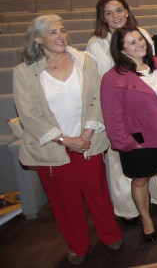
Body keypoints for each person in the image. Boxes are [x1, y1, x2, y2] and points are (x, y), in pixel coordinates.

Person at [13, 15, 122, 265]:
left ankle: (110, 234)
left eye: (63, 30)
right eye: (53, 33)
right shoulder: (24, 72)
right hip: (52, 148)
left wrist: (86, 134)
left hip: (88, 141)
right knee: (65, 200)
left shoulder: (85, 61)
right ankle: (78, 245)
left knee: (97, 193)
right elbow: (28, 115)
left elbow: (96, 99)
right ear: (38, 39)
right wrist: (65, 140)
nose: (61, 36)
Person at [100, 27, 157, 244]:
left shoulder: (156, 63)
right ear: (121, 49)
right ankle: (146, 220)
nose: (139, 44)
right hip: (138, 134)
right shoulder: (112, 78)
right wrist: (126, 142)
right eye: (131, 42)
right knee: (140, 179)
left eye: (140, 38)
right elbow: (112, 118)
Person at [86, 0, 157, 223]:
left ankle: (155, 200)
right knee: (123, 160)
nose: (115, 16)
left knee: (151, 155)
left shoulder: (139, 32)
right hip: (121, 108)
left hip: (146, 106)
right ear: (102, 17)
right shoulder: (97, 43)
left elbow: (151, 64)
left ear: (127, 11)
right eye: (109, 13)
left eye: (119, 10)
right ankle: (129, 210)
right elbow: (108, 78)